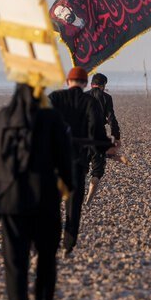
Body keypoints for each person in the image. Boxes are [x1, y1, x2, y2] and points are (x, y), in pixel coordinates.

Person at [0, 84, 74, 300]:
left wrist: (1, 180)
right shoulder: (51, 118)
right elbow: (65, 157)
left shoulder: (2, 116)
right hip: (44, 198)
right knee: (46, 258)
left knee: (15, 259)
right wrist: (69, 184)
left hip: (9, 200)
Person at [49, 67, 110, 256]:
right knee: (73, 206)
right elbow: (97, 132)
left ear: (68, 82)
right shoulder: (90, 102)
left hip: (55, 161)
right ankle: (68, 245)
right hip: (78, 162)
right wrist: (106, 147)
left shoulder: (54, 98)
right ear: (84, 84)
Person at [86, 72, 121, 204]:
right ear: (103, 85)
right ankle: (88, 200)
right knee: (97, 170)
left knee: (80, 168)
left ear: (91, 84)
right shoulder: (107, 98)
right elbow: (112, 119)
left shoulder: (83, 96)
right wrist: (116, 137)